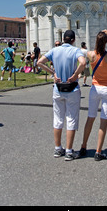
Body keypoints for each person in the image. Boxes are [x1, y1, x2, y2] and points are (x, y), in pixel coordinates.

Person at [37, 30, 86, 161]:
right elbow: (83, 63)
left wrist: (53, 73)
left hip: (58, 89)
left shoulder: (55, 50)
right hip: (72, 89)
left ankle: (58, 148)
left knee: (58, 119)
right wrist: (75, 75)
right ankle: (69, 151)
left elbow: (39, 62)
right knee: (71, 119)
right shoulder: (76, 51)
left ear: (63, 39)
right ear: (73, 40)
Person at [79, 30, 107, 161]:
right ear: (106, 42)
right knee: (104, 120)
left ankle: (83, 147)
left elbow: (80, 50)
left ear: (96, 42)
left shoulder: (91, 55)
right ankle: (98, 151)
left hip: (95, 89)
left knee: (90, 118)